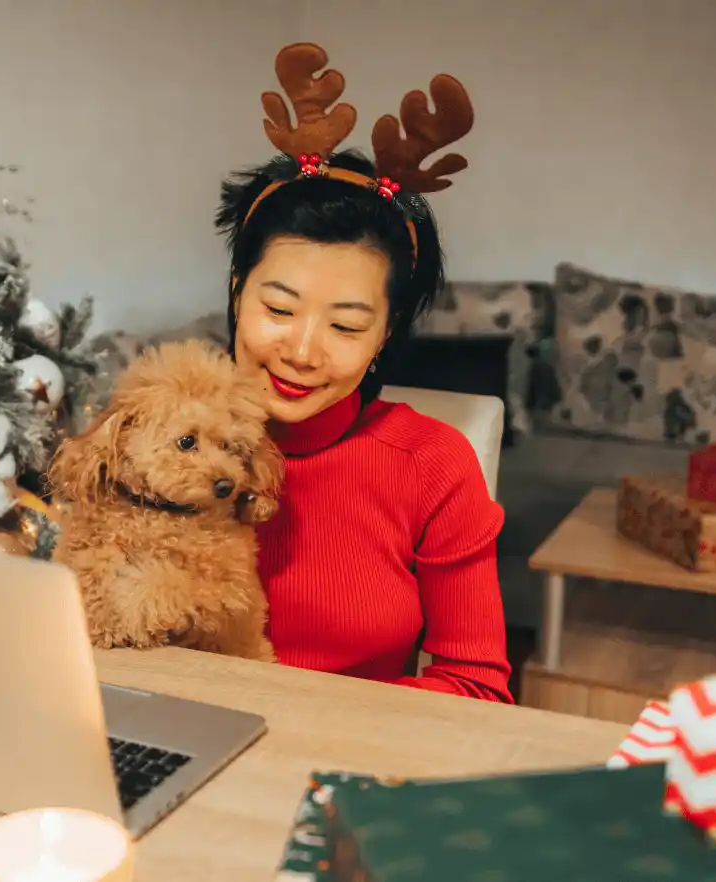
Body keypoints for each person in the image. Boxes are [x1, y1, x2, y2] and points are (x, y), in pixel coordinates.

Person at [212, 43, 511, 702]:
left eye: (345, 326)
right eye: (278, 308)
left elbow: (475, 684)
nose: (301, 349)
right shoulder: (166, 426)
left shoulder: (429, 465)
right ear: (237, 292)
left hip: (347, 766)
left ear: (383, 334)